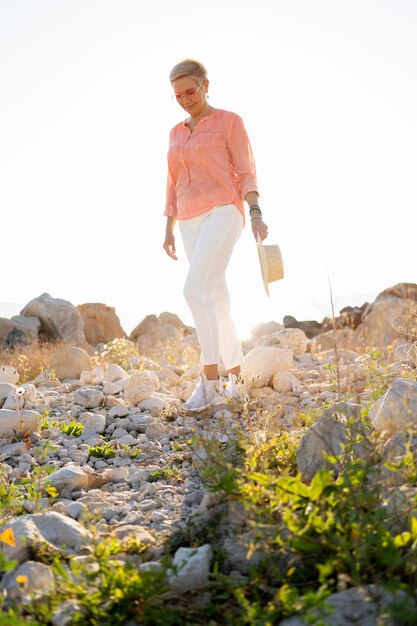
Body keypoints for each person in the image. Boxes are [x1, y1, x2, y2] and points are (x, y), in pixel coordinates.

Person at [163, 59, 269, 412]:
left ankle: (209, 382)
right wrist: (169, 229)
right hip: (188, 220)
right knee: (216, 296)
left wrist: (255, 212)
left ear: (206, 85)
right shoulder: (176, 132)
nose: (184, 99)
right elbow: (172, 183)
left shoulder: (229, 122)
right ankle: (237, 381)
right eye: (177, 94)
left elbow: (246, 172)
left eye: (190, 91)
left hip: (224, 211)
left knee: (194, 290)